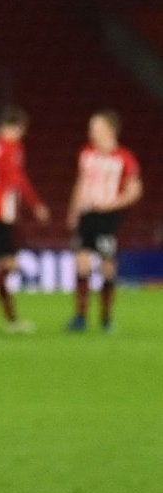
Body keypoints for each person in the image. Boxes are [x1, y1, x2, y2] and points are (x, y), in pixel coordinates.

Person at [0, 106, 47, 334]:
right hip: (0, 214)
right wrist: (36, 204)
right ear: (17, 128)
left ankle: (11, 320)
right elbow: (17, 178)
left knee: (2, 267)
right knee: (8, 265)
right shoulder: (11, 147)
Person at [66, 110, 142, 334]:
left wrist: (113, 204)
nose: (91, 131)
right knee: (82, 262)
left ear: (110, 130)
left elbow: (135, 190)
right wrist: (74, 210)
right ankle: (80, 317)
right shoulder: (86, 153)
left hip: (107, 217)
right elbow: (81, 183)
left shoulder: (124, 157)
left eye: (95, 127)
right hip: (87, 215)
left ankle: (106, 318)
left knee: (107, 266)